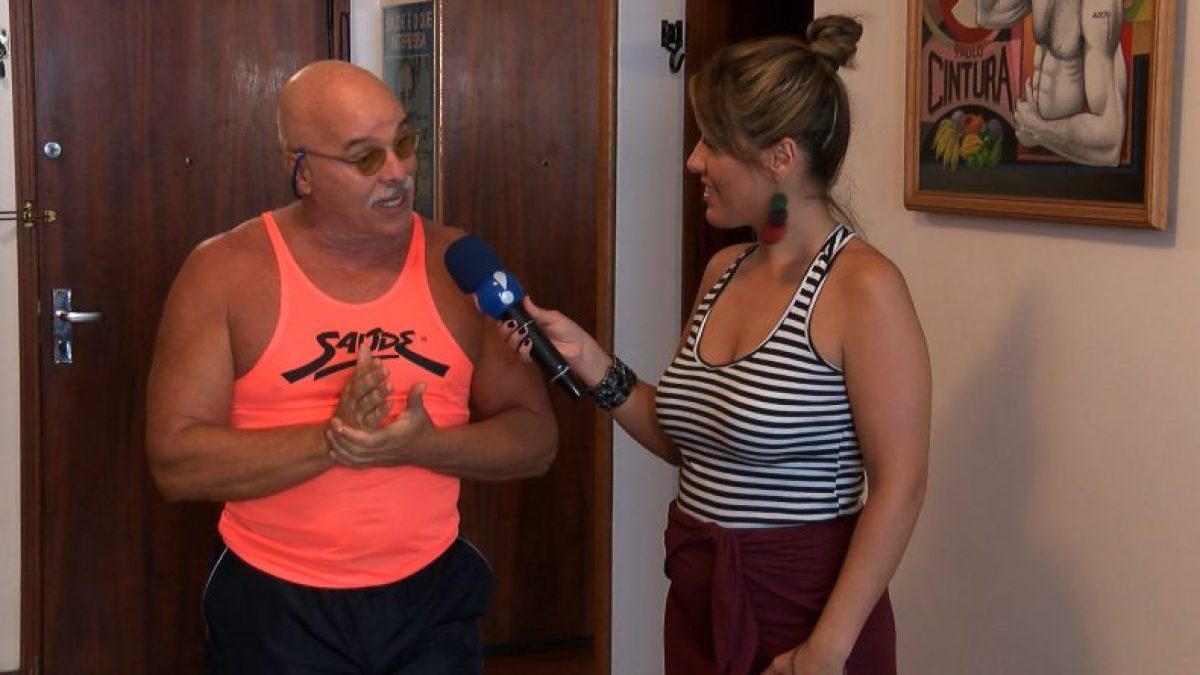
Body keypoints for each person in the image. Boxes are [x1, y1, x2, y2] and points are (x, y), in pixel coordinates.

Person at [503, 16, 930, 675]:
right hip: (701, 602)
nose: (694, 160)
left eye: (715, 143)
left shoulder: (863, 287)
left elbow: (900, 485)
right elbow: (698, 445)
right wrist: (590, 361)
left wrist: (826, 650)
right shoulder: (723, 270)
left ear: (780, 158)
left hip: (806, 613)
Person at [145, 60, 558, 674]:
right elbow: (175, 463)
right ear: (303, 172)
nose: (397, 172)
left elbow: (535, 439)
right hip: (276, 604)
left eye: (404, 143)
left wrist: (423, 445)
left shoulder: (458, 264)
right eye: (365, 157)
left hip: (431, 599)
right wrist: (334, 442)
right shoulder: (224, 272)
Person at [975, 0, 1128, 166]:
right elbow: (988, 15)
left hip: (1073, 162)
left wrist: (1041, 129)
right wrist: (1036, 130)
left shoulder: (1098, 6)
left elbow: (1111, 139)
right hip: (1035, 144)